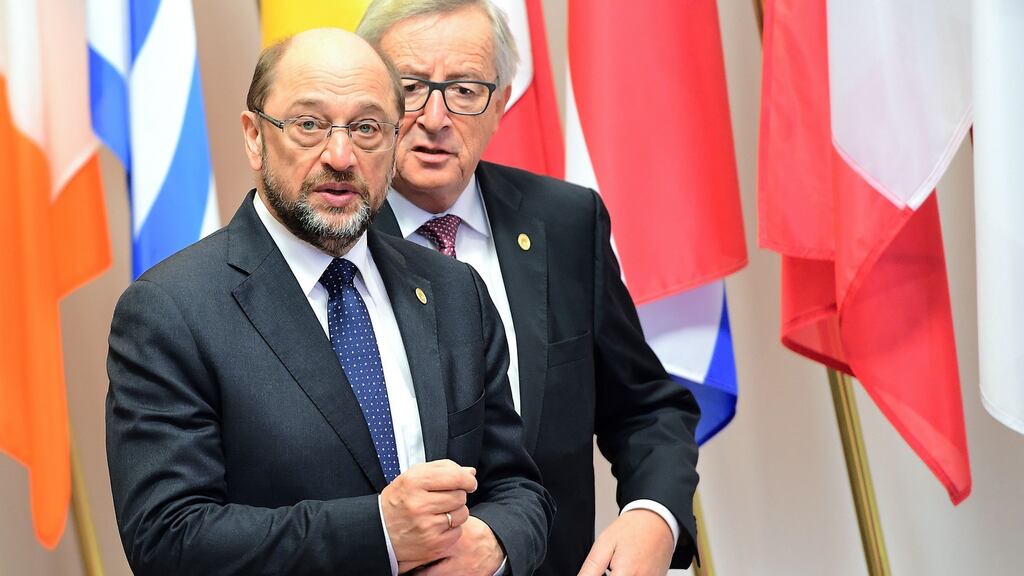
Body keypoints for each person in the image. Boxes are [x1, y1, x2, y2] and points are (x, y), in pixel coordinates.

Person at [105, 28, 552, 576]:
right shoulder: (171, 311)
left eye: (366, 128)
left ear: (393, 141)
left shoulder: (455, 292)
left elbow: (517, 487)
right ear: (254, 137)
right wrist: (380, 535)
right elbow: (169, 540)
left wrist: (496, 544)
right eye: (309, 124)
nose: (340, 156)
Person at [357, 2, 703, 574]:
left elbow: (645, 408)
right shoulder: (332, 243)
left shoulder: (565, 221)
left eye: (466, 90)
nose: (436, 117)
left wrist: (654, 514)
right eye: (410, 87)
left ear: (502, 101)